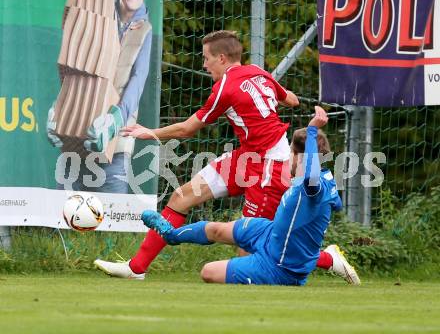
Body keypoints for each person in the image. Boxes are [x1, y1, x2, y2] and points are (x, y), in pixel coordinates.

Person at [94, 30, 356, 284]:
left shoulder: (226, 87)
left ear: (221, 59)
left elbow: (188, 129)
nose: (205, 65)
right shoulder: (259, 72)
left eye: (206, 58)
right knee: (181, 197)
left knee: (250, 247)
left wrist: (150, 132)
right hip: (246, 158)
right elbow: (293, 100)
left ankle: (327, 259)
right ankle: (136, 267)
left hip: (270, 168)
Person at [141, 106, 361, 285]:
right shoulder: (321, 179)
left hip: (280, 265)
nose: (286, 159)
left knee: (208, 272)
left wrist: (312, 130)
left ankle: (326, 259)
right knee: (217, 229)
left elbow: (314, 185)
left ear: (300, 156)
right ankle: (171, 235)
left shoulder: (313, 184)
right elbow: (333, 203)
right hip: (269, 234)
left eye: (290, 154)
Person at [47, 0, 152, 193]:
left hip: (115, 149)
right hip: (75, 144)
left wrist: (116, 119)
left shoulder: (144, 30)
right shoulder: (93, 15)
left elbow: (138, 81)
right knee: (63, 216)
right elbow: (74, 73)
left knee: (111, 219)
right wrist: (60, 109)